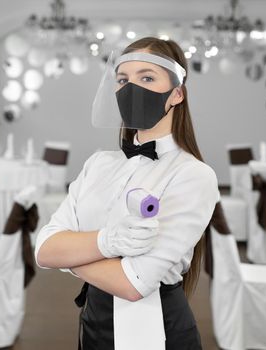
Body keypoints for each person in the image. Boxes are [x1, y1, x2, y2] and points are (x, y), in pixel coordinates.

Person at [35, 37, 220, 350]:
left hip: (157, 331)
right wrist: (108, 242)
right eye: (123, 80)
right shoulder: (98, 164)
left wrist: (69, 256)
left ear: (177, 93)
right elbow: (43, 249)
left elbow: (133, 283)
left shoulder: (194, 176)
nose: (132, 88)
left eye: (147, 77)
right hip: (92, 323)